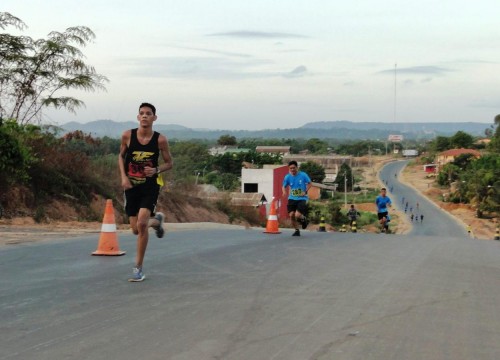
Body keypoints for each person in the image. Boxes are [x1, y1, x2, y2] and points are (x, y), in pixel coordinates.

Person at [118, 102, 173, 282]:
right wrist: (124, 177)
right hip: (131, 186)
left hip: (150, 186)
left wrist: (156, 169)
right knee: (135, 229)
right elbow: (120, 156)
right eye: (141, 113)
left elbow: (169, 163)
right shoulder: (127, 135)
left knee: (141, 224)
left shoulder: (160, 140)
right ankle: (156, 222)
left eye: (148, 114)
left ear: (154, 118)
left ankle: (138, 268)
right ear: (137, 117)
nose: (144, 116)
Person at [282, 160, 311, 236]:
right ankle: (297, 230)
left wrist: (305, 191)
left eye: (293, 168)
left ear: (297, 167)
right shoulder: (287, 177)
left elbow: (310, 183)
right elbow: (283, 186)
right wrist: (284, 192)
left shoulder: (303, 175)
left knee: (297, 215)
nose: (292, 170)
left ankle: (304, 220)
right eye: (290, 168)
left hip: (302, 198)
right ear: (289, 168)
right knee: (291, 215)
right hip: (292, 198)